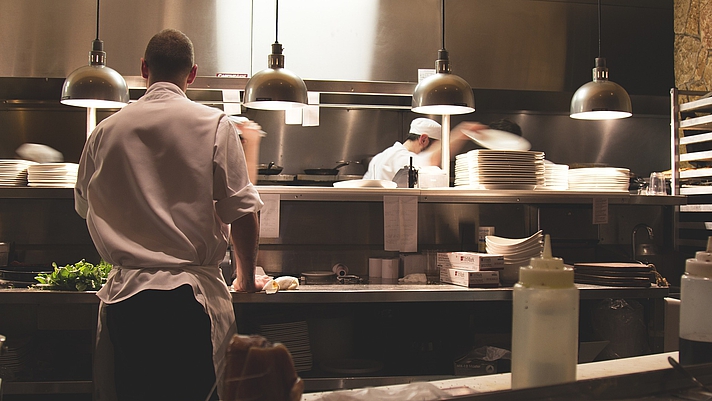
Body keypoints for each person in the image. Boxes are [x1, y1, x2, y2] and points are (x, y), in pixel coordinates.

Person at [74, 29, 264, 401]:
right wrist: (246, 280)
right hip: (188, 303)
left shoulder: (104, 131)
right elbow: (242, 212)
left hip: (125, 303)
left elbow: (84, 207)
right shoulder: (215, 124)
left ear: (144, 68)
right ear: (191, 74)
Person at [363, 117, 486, 181]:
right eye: (437, 146)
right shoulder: (401, 157)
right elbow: (430, 160)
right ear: (423, 139)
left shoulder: (379, 157)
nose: (438, 151)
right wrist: (462, 132)